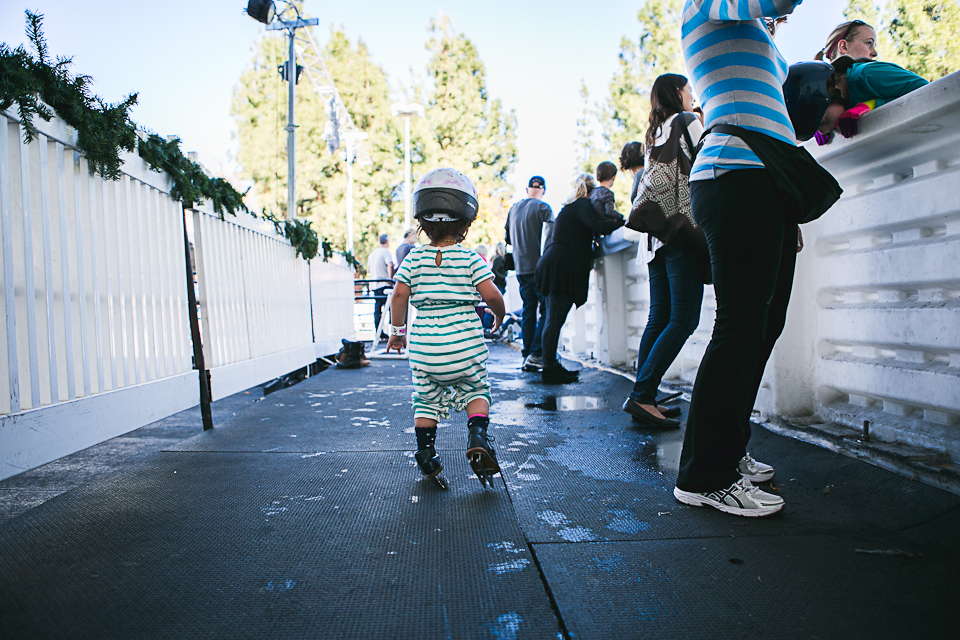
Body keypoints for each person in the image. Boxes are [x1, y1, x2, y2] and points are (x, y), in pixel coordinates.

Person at [673, 0, 843, 518]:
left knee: (765, 323)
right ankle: (705, 476)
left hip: (764, 177)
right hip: (735, 172)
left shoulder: (749, 25)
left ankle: (726, 449)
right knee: (741, 325)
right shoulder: (705, 4)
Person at [387, 168, 506, 488]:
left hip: (426, 350)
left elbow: (399, 295)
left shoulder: (412, 259)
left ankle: (426, 455)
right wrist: (497, 316)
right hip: (465, 346)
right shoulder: (470, 259)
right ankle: (478, 435)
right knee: (477, 390)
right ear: (467, 225)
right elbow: (492, 295)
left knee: (424, 400)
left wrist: (398, 333)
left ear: (422, 224)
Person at [621, 74, 706, 429]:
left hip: (656, 237)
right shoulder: (686, 121)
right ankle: (642, 395)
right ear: (677, 93)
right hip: (682, 232)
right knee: (684, 319)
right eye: (689, 90)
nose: (692, 95)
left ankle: (646, 394)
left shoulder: (655, 131)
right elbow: (710, 154)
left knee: (660, 318)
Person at [535, 174, 624, 384]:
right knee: (555, 320)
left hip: (554, 263)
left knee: (552, 319)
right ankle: (549, 369)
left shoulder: (570, 207)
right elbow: (601, 226)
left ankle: (551, 366)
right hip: (561, 267)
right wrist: (623, 221)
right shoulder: (583, 206)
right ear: (592, 192)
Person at [815, 55, 928, 141]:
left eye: (824, 121)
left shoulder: (867, 74)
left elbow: (928, 92)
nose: (825, 131)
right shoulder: (842, 104)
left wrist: (871, 106)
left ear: (831, 92)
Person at [505, 176, 554, 373]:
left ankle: (527, 354)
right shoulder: (544, 208)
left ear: (527, 190)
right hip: (539, 267)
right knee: (547, 310)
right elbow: (551, 235)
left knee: (528, 311)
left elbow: (507, 237)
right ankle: (536, 353)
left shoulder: (513, 209)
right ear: (542, 190)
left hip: (520, 267)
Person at [366, 233, 395, 336]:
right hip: (384, 283)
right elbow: (389, 264)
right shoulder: (386, 252)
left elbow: (368, 270)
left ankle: (379, 331)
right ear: (387, 241)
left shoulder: (372, 254)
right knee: (391, 307)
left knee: (377, 308)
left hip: (374, 284)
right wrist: (390, 278)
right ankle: (393, 331)